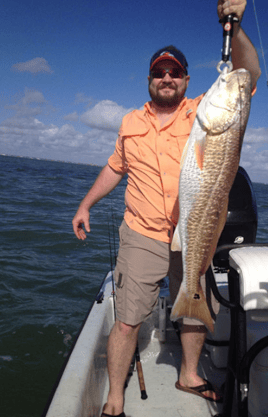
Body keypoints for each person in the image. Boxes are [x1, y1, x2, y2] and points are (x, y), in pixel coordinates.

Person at [72, 1, 261, 416]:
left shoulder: (202, 111)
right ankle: (115, 399)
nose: (167, 78)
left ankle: (189, 374)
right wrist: (85, 204)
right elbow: (114, 167)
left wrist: (236, 27)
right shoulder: (129, 122)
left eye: (174, 72)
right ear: (149, 80)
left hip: (194, 229)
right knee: (127, 321)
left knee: (194, 306)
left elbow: (247, 78)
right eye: (160, 72)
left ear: (187, 80)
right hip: (141, 234)